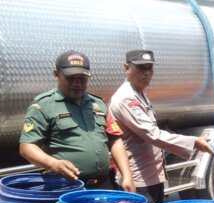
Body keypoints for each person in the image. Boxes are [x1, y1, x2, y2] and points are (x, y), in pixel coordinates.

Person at [105, 50, 214, 203]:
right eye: (141, 68)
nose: (147, 73)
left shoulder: (138, 93)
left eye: (150, 68)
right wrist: (194, 142)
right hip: (139, 180)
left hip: (150, 175)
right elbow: (152, 134)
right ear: (126, 68)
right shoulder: (126, 98)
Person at [20, 50, 133, 190]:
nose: (77, 83)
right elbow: (27, 147)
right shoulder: (43, 106)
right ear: (56, 74)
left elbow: (115, 140)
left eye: (82, 79)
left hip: (103, 185)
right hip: (66, 186)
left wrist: (127, 175)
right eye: (71, 78)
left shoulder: (97, 104)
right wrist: (53, 163)